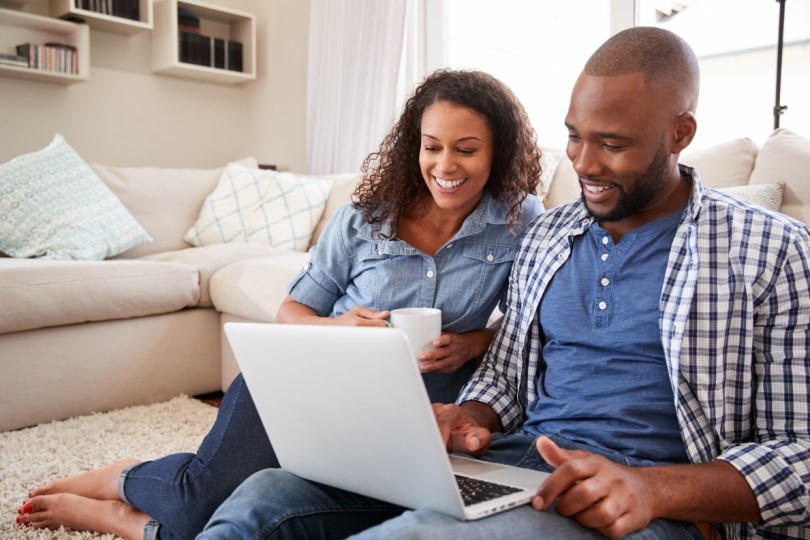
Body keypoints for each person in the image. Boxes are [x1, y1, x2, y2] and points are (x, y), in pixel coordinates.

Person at [196, 26, 810, 540]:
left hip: (649, 502)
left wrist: (651, 487)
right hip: (522, 461)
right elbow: (508, 376)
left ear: (680, 134)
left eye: (613, 144)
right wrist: (463, 415)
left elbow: (801, 457)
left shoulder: (771, 249)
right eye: (574, 135)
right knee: (264, 501)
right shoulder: (551, 236)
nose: (584, 164)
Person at [15, 68, 544, 539]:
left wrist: (476, 340)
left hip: (418, 404)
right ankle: (122, 478)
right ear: (415, 147)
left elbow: (528, 328)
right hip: (310, 382)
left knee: (267, 518)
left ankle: (128, 523)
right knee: (196, 502)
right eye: (432, 146)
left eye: (466, 149)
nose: (445, 164)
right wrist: (338, 327)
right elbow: (291, 312)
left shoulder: (522, 221)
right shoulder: (364, 219)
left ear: (496, 152)